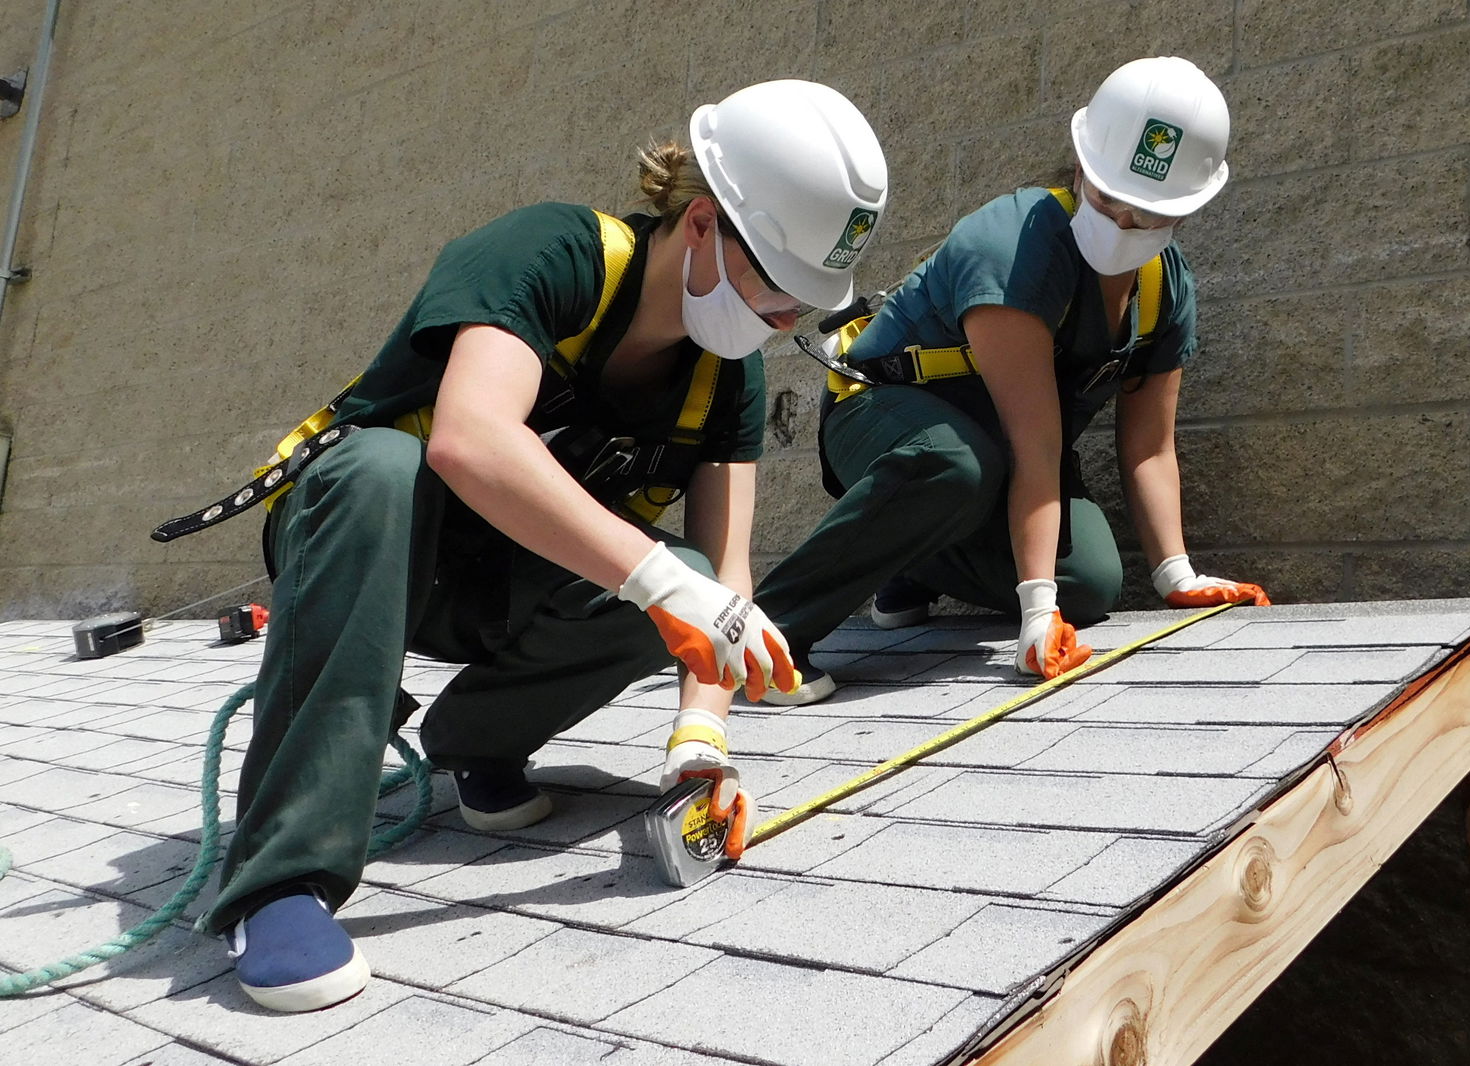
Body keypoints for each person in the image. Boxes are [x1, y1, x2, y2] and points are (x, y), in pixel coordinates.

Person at [198, 79, 887, 1011]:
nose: (786, 323)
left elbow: (723, 581)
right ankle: (280, 881)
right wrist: (658, 585)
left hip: (508, 585)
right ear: (700, 225)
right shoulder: (550, 252)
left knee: (685, 582)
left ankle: (479, 743)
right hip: (376, 545)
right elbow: (470, 438)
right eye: (776, 288)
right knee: (381, 473)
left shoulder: (726, 380)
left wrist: (703, 738)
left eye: (806, 304)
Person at [755, 57, 1266, 706]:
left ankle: (908, 558)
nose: (1120, 227)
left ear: (1185, 211)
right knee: (957, 466)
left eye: (1145, 215)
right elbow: (1036, 447)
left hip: (994, 457)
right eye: (1108, 199)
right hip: (884, 419)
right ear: (1081, 167)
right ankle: (766, 636)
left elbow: (1148, 448)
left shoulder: (1166, 288)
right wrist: (1034, 613)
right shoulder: (1013, 250)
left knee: (1089, 582)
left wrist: (1175, 573)